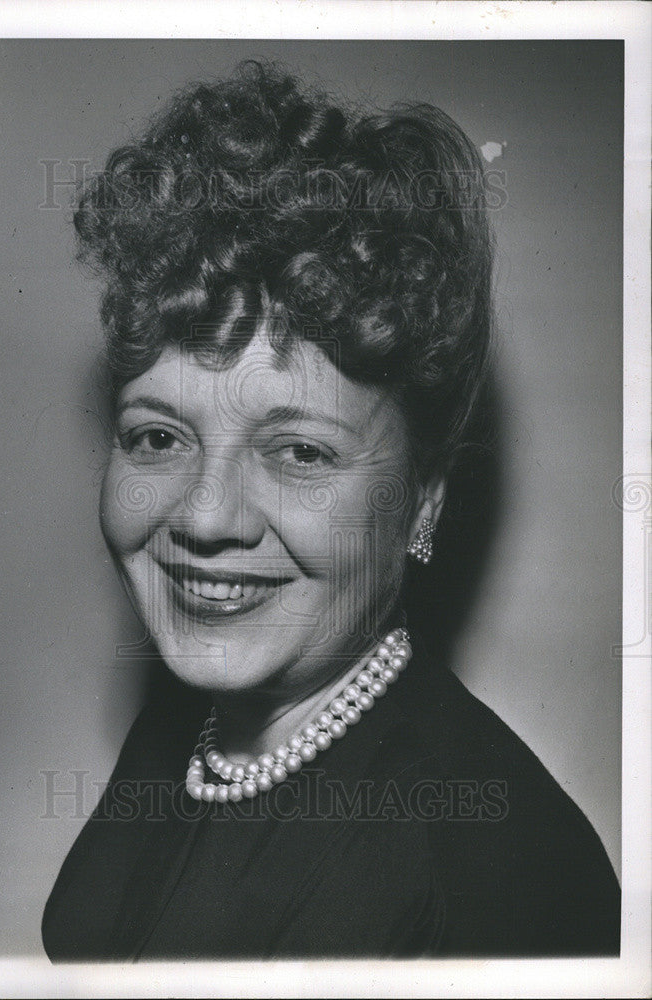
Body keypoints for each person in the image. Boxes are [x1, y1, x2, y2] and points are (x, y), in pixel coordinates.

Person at [42, 60, 619, 959]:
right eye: (157, 437)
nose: (205, 518)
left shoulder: (504, 872)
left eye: (299, 452)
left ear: (421, 501)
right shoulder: (176, 737)